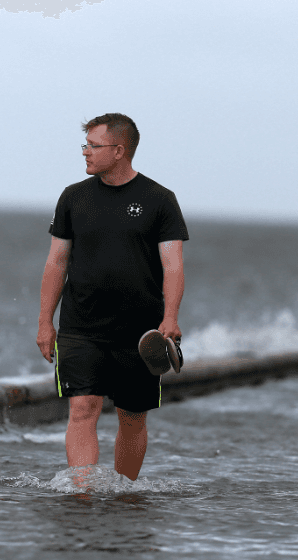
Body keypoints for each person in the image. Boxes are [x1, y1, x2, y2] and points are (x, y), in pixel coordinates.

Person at [36, 113, 188, 480]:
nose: (85, 152)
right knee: (83, 408)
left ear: (119, 150)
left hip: (139, 332)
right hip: (80, 326)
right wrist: (45, 322)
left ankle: (125, 492)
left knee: (132, 417)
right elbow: (56, 262)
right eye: (84, 144)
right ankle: (82, 492)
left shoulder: (159, 200)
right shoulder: (73, 197)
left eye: (93, 145)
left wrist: (170, 318)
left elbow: (174, 267)